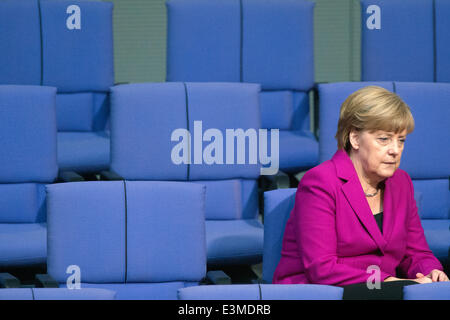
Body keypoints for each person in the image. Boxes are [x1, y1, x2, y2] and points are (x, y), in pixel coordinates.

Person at [272, 86, 448, 299]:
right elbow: (322, 268)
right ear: (355, 139)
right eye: (384, 139)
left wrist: (431, 271)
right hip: (322, 292)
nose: (395, 149)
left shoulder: (402, 182)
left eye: (400, 140)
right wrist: (390, 282)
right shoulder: (320, 182)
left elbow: (416, 252)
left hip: (382, 292)